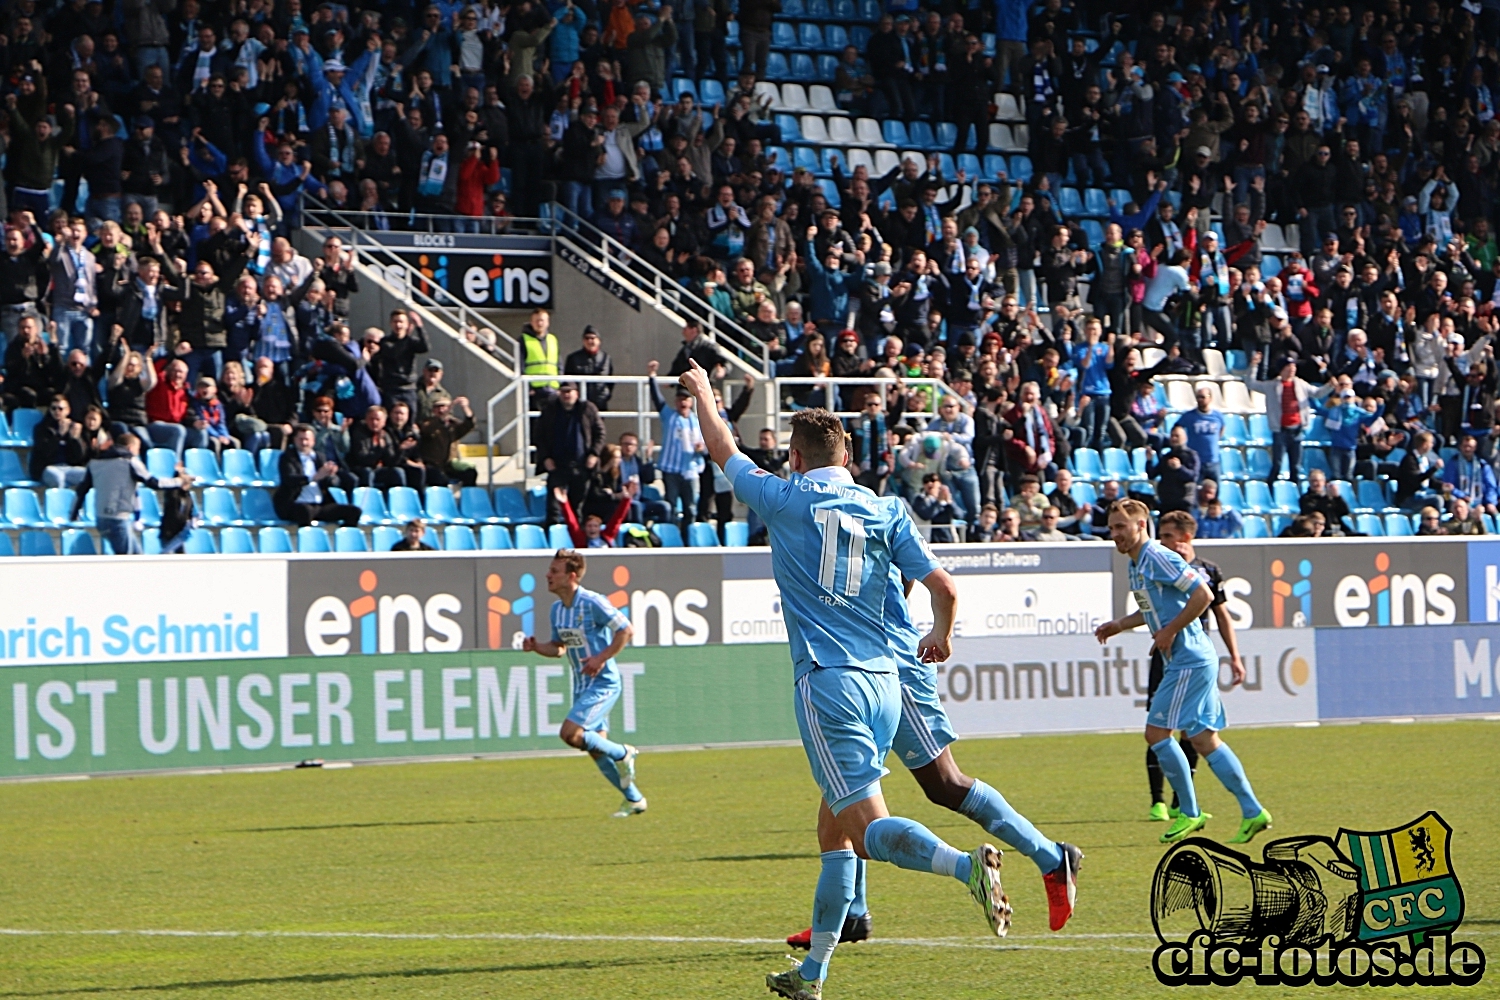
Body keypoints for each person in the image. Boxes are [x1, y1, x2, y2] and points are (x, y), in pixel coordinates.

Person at [676, 361, 1020, 1000]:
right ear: (847, 454)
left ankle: (965, 867)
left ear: (795, 456)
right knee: (834, 830)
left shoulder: (783, 495)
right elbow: (945, 587)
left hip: (829, 682)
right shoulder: (882, 507)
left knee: (865, 828)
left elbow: (723, 447)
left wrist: (701, 392)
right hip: (889, 682)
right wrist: (941, 634)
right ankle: (812, 975)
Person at [1095, 499, 1272, 846]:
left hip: (1189, 658)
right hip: (1190, 658)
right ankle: (1253, 812)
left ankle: (1189, 813)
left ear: (1141, 526)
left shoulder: (1158, 556)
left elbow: (1203, 595)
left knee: (1156, 733)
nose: (1114, 533)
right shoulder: (1136, 564)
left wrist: (1170, 630)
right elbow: (1152, 611)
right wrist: (1119, 624)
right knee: (1205, 739)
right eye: (1111, 527)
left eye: (1121, 527)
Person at [521, 549, 646, 818]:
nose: (548, 575)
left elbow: (626, 630)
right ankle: (634, 800)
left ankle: (624, 752)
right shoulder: (557, 610)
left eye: (554, 571)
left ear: (571, 576)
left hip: (603, 682)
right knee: (593, 749)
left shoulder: (592, 602)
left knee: (570, 734)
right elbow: (559, 648)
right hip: (581, 685)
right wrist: (536, 647)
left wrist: (601, 658)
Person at [1141, 510, 1247, 822]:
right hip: (1168, 657)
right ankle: (1157, 800)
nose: (1163, 541)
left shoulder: (1208, 571)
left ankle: (1181, 803)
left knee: (1192, 732)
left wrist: (1235, 656)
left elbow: (1221, 614)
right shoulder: (1157, 565)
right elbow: (1149, 610)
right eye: (1160, 536)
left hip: (1193, 656)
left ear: (1186, 537)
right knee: (1160, 727)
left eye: (1168, 535)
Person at [72, 431, 189, 555]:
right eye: (137, 449)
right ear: (130, 448)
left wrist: (73, 513)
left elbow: (81, 490)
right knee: (127, 561)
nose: (138, 453)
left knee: (137, 557)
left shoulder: (95, 463)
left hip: (101, 519)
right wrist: (179, 481)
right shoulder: (130, 461)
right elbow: (155, 483)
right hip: (118, 519)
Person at [647, 360, 706, 528]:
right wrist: (652, 377)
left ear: (691, 401)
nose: (682, 402)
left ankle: (688, 541)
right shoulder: (669, 416)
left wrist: (701, 449)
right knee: (671, 506)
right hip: (671, 470)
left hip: (691, 470)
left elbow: (706, 444)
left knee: (691, 508)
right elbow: (657, 399)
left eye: (686, 399)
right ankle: (673, 539)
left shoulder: (697, 420)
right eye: (680, 399)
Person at [272, 425, 362, 527]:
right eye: (300, 439)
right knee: (305, 511)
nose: (304, 443)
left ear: (313, 441)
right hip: (296, 504)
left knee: (354, 511)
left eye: (307, 439)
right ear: (294, 440)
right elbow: (289, 480)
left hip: (319, 504)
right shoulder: (287, 457)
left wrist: (331, 474)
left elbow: (329, 482)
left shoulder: (319, 456)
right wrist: (313, 478)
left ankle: (344, 538)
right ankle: (308, 540)